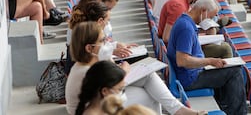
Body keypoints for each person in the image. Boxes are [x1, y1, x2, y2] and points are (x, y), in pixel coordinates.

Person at [66, 22, 201, 115]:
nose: (107, 44)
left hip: (103, 99)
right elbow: (115, 79)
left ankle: (178, 110)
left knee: (149, 77)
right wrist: (124, 69)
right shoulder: (84, 70)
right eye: (102, 41)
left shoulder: (93, 60)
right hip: (93, 106)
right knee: (149, 96)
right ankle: (177, 110)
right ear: (89, 48)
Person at [167, 0, 247, 114]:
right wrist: (210, 61)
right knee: (235, 72)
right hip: (190, 78)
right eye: (210, 17)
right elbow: (182, 60)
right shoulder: (186, 28)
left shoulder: (185, 22)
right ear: (203, 11)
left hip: (192, 73)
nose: (210, 21)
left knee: (228, 69)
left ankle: (226, 107)